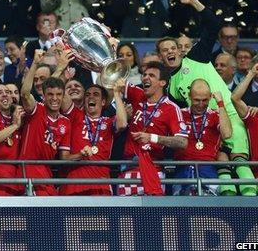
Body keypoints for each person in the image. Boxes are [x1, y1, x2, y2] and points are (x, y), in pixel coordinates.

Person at [157, 0, 256, 196]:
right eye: (164, 50)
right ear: (160, 56)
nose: (170, 52)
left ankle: (252, 203)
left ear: (179, 50)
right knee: (222, 166)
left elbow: (212, 24)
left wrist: (193, 1)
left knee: (239, 160)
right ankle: (227, 202)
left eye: (173, 48)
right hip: (207, 131)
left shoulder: (196, 57)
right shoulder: (171, 88)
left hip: (228, 116)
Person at [118, 61, 188, 196]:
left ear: (162, 82)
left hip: (154, 171)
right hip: (128, 170)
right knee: (126, 217)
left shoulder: (171, 108)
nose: (145, 78)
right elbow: (115, 80)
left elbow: (182, 142)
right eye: (144, 75)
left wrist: (152, 138)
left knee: (152, 216)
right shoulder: (138, 95)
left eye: (151, 75)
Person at [18, 49, 73, 196]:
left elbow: (65, 158)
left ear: (63, 96)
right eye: (50, 94)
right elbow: (24, 93)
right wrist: (35, 63)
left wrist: (83, 154)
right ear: (44, 95)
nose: (54, 98)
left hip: (47, 173)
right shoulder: (37, 109)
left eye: (58, 95)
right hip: (28, 169)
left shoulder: (65, 123)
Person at [59, 80, 127, 195]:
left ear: (103, 102)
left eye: (96, 94)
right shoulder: (76, 116)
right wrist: (61, 71)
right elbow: (62, 96)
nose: (91, 97)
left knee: (98, 214)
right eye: (87, 95)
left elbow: (122, 124)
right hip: (74, 183)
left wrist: (116, 92)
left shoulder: (109, 122)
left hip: (101, 183)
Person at [173, 79, 232, 196]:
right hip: (182, 169)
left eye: (205, 100)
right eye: (196, 100)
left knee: (207, 212)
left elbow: (227, 134)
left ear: (210, 97)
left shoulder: (216, 115)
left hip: (208, 169)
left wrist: (220, 103)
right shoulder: (178, 113)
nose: (200, 104)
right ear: (189, 96)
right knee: (181, 210)